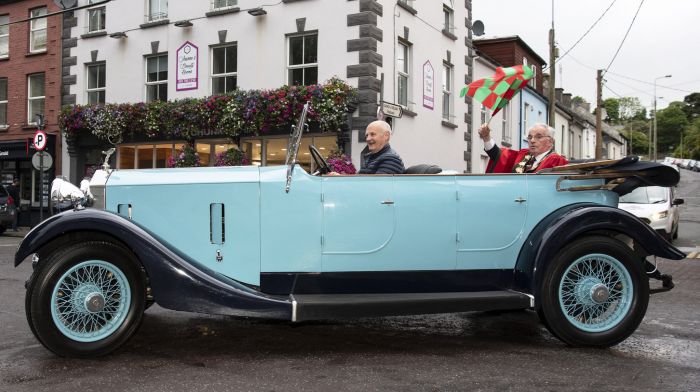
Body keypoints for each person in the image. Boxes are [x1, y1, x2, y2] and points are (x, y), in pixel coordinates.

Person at [478, 122, 568, 173]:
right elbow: (498, 156)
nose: (532, 140)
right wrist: (486, 138)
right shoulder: (523, 155)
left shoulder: (556, 160)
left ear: (550, 141)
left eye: (538, 137)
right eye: (529, 137)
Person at [327, 120, 404, 175]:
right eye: (367, 135)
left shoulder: (391, 159)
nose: (368, 139)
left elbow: (375, 188)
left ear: (386, 136)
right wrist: (339, 178)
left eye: (372, 134)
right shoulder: (372, 157)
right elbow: (359, 181)